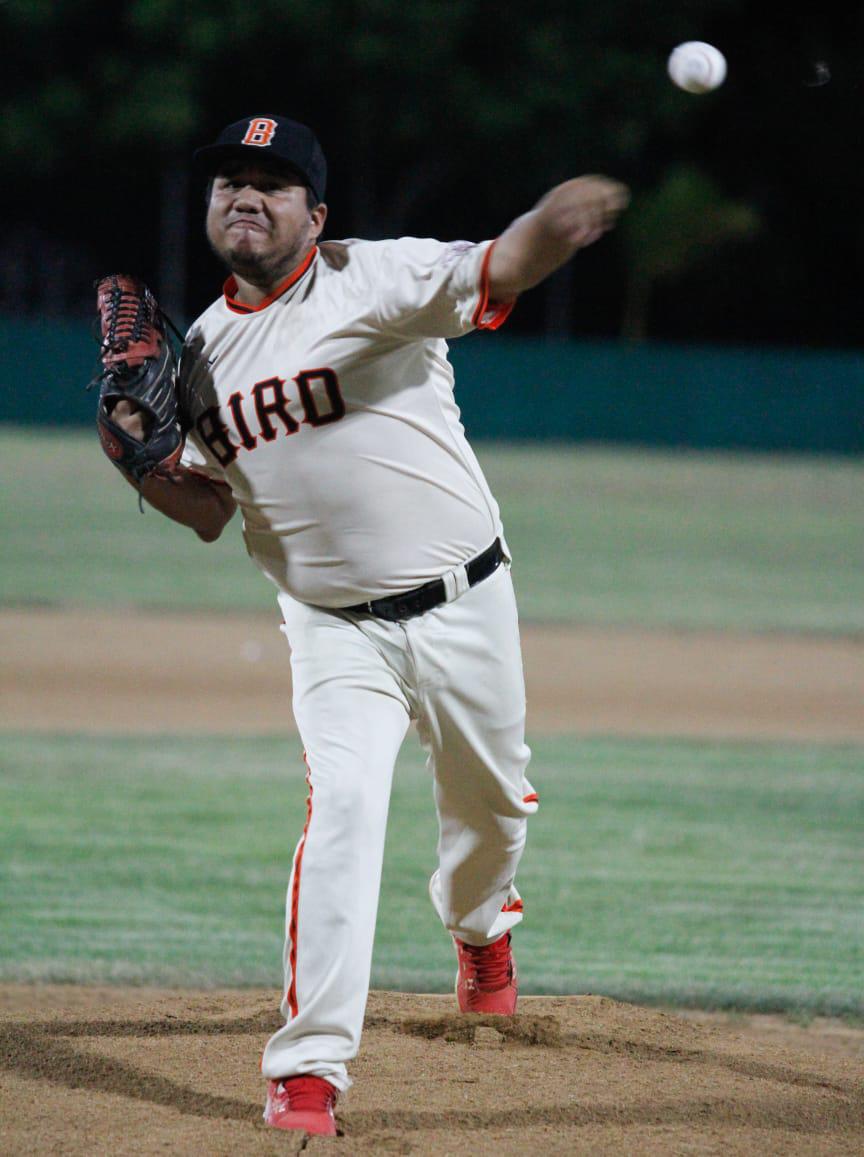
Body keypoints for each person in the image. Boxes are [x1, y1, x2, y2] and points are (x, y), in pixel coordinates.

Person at [109, 114, 629, 1136]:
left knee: (494, 808)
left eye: (271, 182)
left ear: (317, 212)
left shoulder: (377, 278)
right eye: (228, 183)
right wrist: (136, 461)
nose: (245, 198)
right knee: (344, 810)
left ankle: (480, 928)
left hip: (466, 597)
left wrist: (554, 223)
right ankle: (307, 1074)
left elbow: (503, 263)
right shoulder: (203, 353)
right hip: (330, 629)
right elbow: (209, 510)